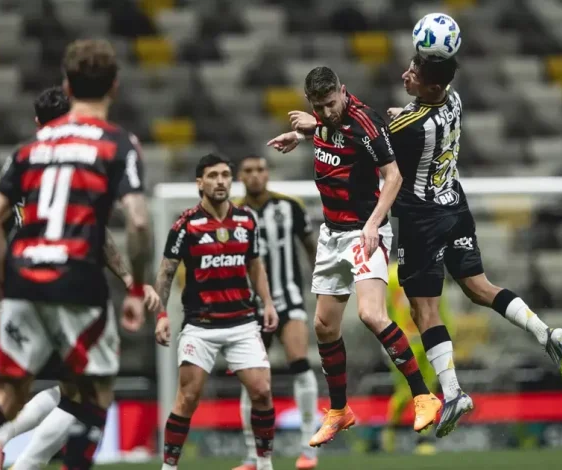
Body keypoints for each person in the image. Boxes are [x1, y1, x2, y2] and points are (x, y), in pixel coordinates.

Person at [288, 54, 562, 438]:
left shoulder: (406, 123)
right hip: (453, 202)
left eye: (414, 73)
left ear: (431, 86)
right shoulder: (452, 101)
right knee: (479, 288)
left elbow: (366, 134)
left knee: (423, 308)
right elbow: (373, 121)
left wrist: (312, 128)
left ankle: (451, 392)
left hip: (421, 217)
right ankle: (545, 331)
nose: (406, 74)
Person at [0, 38, 152, 470]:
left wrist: (3, 297)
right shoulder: (118, 143)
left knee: (7, 391)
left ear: (68, 83)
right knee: (92, 392)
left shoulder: (28, 152)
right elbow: (136, 221)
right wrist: (134, 284)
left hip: (24, 279)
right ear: (114, 87)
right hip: (78, 282)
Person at [266, 66, 441, 448]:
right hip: (331, 233)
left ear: (343, 92)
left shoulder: (365, 123)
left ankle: (423, 395)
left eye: (331, 104)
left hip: (365, 230)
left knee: (371, 314)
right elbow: (331, 131)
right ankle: (340, 411)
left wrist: (375, 224)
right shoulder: (326, 120)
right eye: (319, 107)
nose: (327, 112)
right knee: (324, 327)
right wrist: (301, 134)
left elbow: (393, 177)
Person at [153, 153, 279, 470]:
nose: (220, 181)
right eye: (213, 175)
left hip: (242, 322)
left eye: (225, 174)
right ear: (200, 183)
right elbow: (166, 272)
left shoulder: (246, 220)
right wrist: (161, 315)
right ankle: (169, 467)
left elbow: (255, 265)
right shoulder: (185, 225)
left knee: (262, 392)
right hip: (201, 326)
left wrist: (268, 303)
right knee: (188, 398)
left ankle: (264, 465)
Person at [233, 155, 319, 470]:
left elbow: (310, 247)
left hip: (289, 298)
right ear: (240, 176)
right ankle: (251, 455)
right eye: (248, 170)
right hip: (250, 306)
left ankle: (309, 449)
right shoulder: (234, 214)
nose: (255, 175)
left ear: (267, 174)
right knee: (252, 379)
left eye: (260, 169)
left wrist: (321, 287)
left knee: (300, 365)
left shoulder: (290, 206)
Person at [382, 261, 453, 454]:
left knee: (428, 391)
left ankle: (423, 439)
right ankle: (390, 431)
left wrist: (445, 335)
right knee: (405, 393)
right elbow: (386, 308)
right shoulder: (391, 276)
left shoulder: (430, 269)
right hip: (402, 340)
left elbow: (440, 307)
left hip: (426, 338)